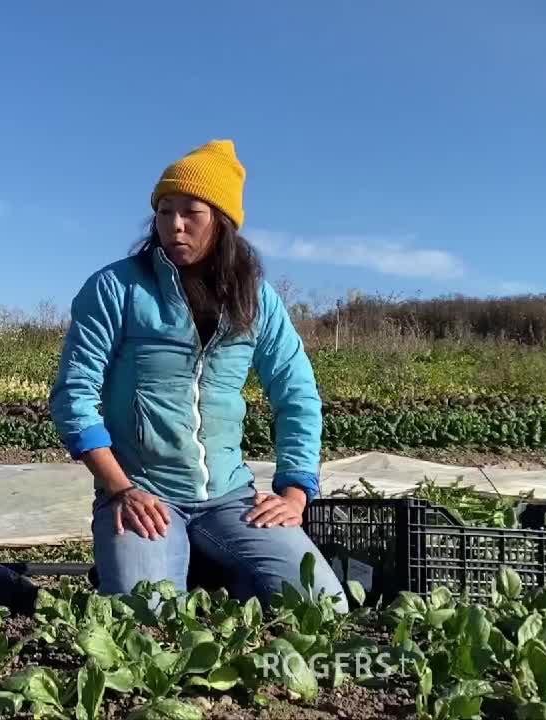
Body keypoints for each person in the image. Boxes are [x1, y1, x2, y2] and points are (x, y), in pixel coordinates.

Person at [49, 139, 346, 610]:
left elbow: (297, 393)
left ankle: (205, 565)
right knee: (146, 614)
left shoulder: (256, 299)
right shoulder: (116, 288)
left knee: (321, 604)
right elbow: (73, 394)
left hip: (229, 496)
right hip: (144, 493)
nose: (175, 226)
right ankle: (163, 559)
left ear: (222, 223)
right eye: (164, 212)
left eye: (191, 212)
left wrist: (294, 491)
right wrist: (120, 487)